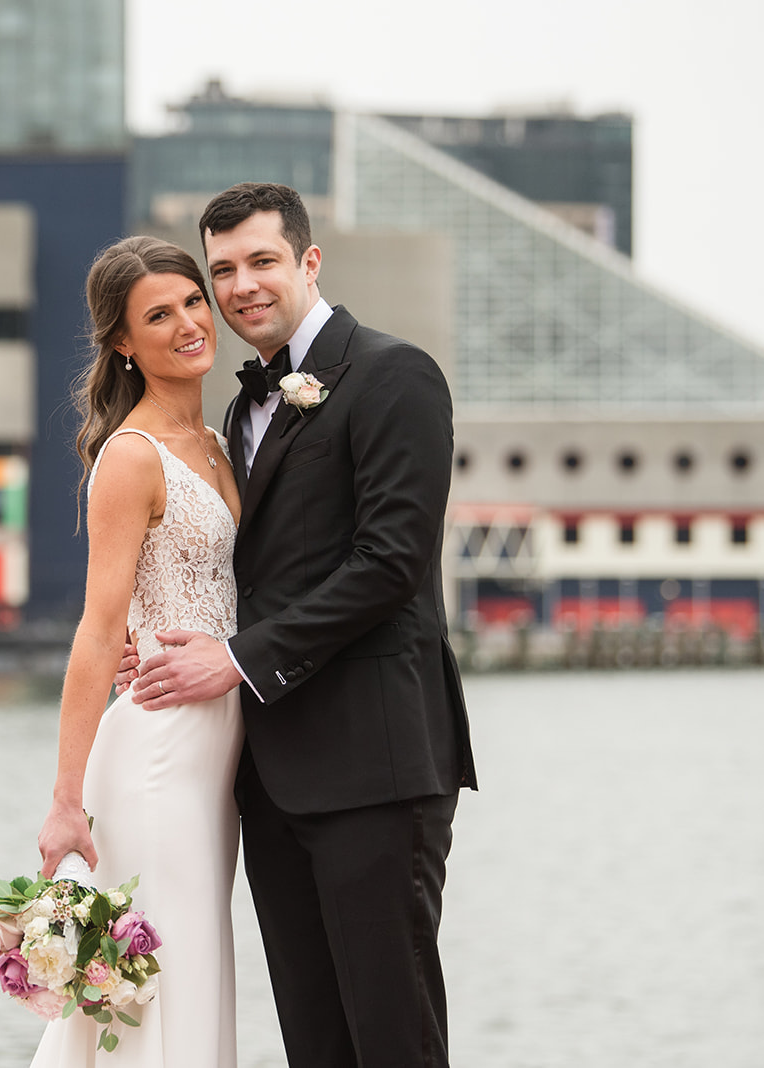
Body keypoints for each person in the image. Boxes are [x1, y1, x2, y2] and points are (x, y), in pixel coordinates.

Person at [124, 183, 478, 1067]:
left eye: (261, 261)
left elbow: (392, 562)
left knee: (391, 1038)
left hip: (376, 765)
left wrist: (238, 662)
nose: (242, 286)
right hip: (270, 780)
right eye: (223, 271)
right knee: (315, 1044)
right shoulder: (237, 412)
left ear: (309, 261)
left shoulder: (395, 374)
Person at [29, 235, 245, 1067]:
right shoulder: (130, 456)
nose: (189, 322)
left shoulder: (221, 444)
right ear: (123, 342)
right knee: (161, 976)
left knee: (194, 968)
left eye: (194, 300)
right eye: (160, 315)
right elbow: (96, 631)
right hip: (156, 748)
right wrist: (64, 800)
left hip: (219, 751)